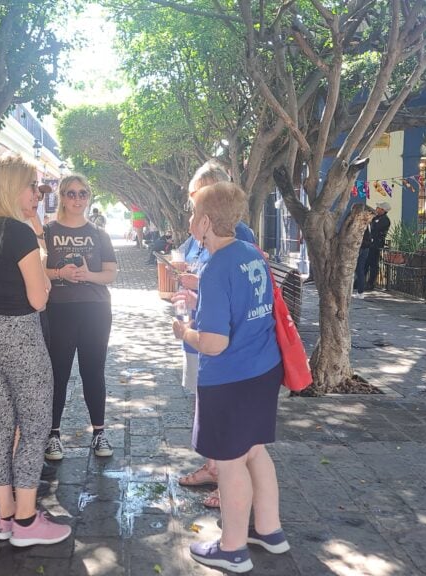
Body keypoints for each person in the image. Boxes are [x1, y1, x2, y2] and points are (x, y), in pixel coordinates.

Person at [0, 154, 71, 548]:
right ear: (12, 188)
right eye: (31, 186)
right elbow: (39, 299)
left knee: (1, 424)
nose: (37, 194)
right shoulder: (19, 234)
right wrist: (40, 284)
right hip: (18, 333)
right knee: (36, 426)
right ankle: (25, 519)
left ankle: (4, 517)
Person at [172, 182, 288, 573]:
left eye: (192, 215)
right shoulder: (251, 253)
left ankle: (233, 548)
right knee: (255, 450)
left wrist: (184, 333)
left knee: (231, 461)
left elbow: (215, 343)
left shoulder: (218, 265)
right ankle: (269, 531)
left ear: (205, 222)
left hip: (231, 378)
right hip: (263, 369)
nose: (189, 221)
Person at [175, 160, 256, 509]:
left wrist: (200, 287)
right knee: (203, 404)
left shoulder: (240, 236)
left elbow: (240, 291)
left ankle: (231, 482)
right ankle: (213, 467)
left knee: (225, 413)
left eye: (199, 198)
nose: (194, 207)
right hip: (199, 330)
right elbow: (199, 267)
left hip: (220, 342)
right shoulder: (199, 232)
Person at [43, 174, 118, 460]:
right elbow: (35, 270)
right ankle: (53, 434)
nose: (77, 199)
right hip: (58, 309)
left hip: (95, 309)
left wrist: (89, 275)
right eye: (71, 193)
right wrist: (60, 273)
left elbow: (110, 273)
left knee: (93, 370)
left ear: (89, 197)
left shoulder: (100, 234)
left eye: (83, 193)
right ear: (62, 196)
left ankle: (99, 432)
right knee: (57, 372)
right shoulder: (46, 232)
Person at [365, 201, 392, 290]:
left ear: (383, 210)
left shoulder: (385, 220)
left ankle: (371, 283)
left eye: (378, 208)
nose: (376, 209)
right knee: (365, 263)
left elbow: (375, 229)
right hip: (369, 244)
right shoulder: (375, 217)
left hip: (376, 245)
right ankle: (361, 281)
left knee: (373, 264)